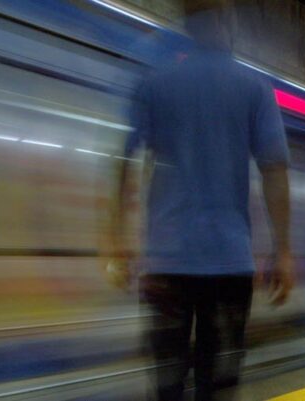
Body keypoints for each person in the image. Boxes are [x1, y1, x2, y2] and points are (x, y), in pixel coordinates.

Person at [107, 1, 294, 400]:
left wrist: (116, 239)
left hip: (166, 265)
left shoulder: (155, 83)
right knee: (219, 387)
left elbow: (125, 159)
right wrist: (283, 252)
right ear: (227, 21)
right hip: (228, 265)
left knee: (168, 386)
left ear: (188, 24)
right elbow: (274, 170)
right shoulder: (254, 87)